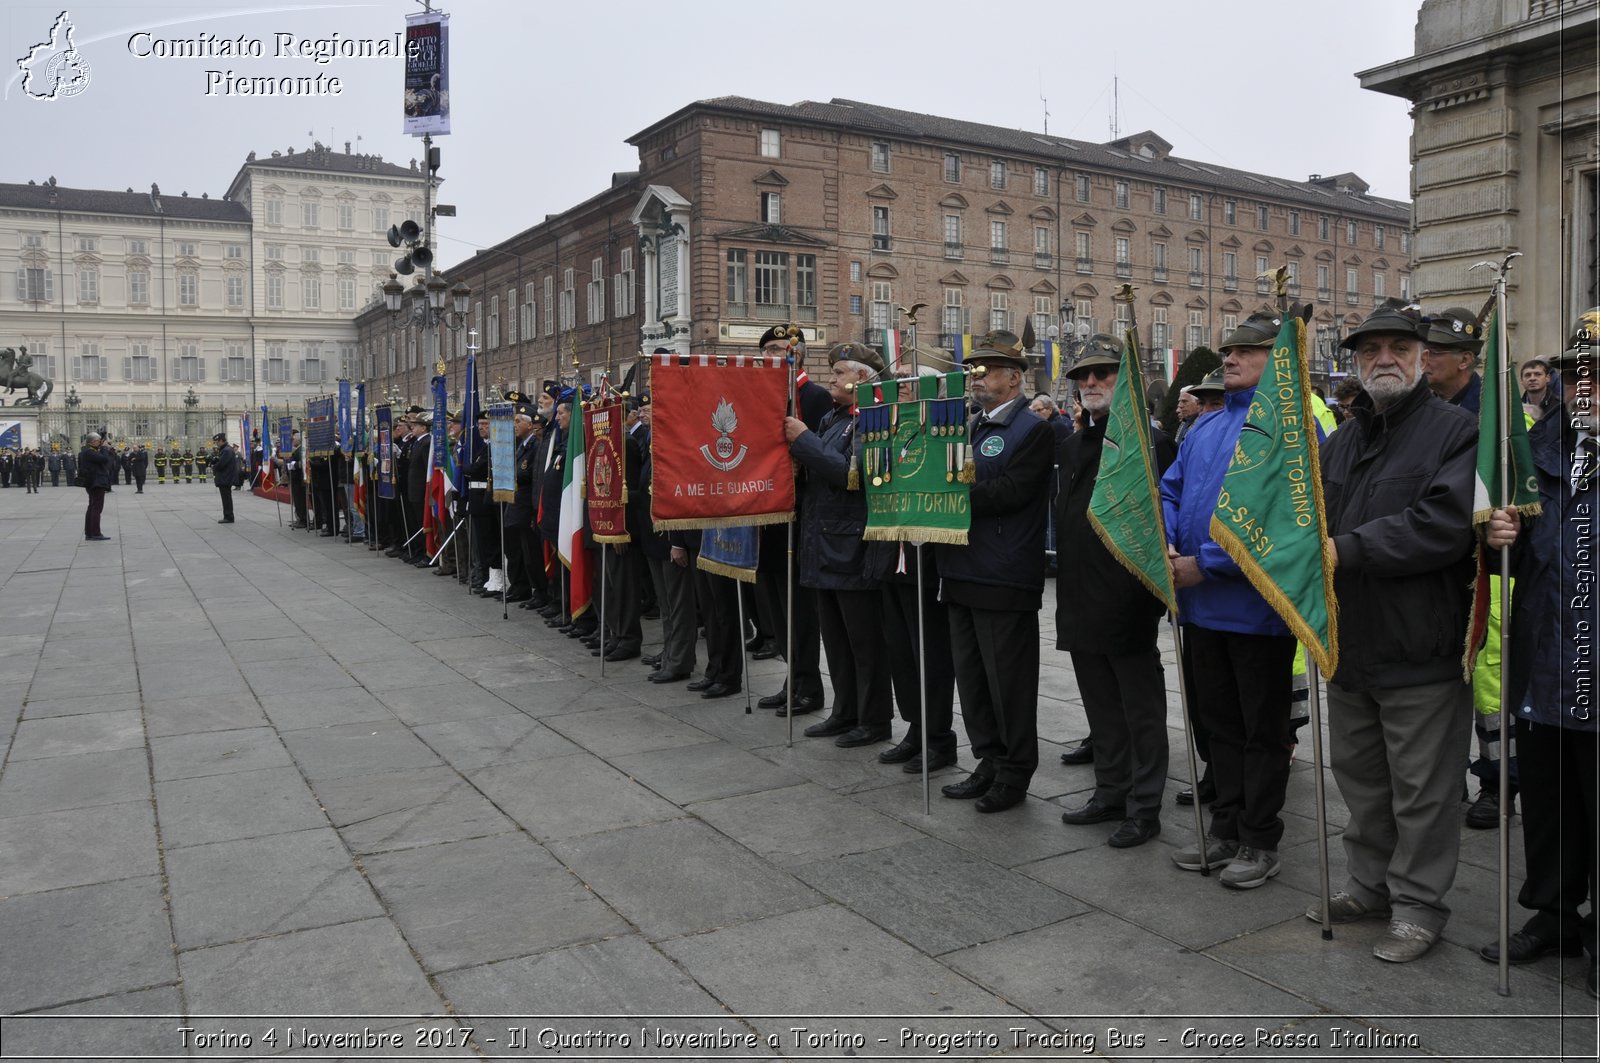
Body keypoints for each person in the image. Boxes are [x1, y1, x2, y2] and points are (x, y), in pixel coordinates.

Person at [1312, 298, 1478, 963]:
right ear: (1354, 360)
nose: (1384, 359)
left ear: (1422, 356)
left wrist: (1344, 549)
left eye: (1398, 349)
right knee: (1361, 781)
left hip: (1420, 645)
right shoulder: (1344, 437)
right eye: (1369, 350)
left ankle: (1417, 906)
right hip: (1349, 644)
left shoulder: (1453, 432)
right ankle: (1368, 885)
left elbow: (1442, 525)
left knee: (1423, 791)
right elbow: (1309, 515)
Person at [1481, 311, 1600, 997]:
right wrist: (1499, 535)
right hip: (1545, 667)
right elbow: (1515, 559)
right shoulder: (1534, 452)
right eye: (1579, 373)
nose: (1587, 387)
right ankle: (1553, 915)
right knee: (1549, 806)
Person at [1160, 309, 1297, 889]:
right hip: (1200, 608)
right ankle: (1226, 827)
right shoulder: (1207, 427)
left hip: (1255, 610)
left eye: (1246, 351)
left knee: (1260, 731)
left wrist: (1206, 565)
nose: (1230, 359)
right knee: (1215, 723)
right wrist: (1165, 543)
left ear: (1277, 361)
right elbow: (1171, 488)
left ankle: (1260, 838)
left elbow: (1285, 521)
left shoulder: (1291, 431)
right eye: (1228, 351)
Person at [1055, 337, 1177, 848]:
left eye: (1103, 374)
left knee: (1140, 710)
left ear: (1125, 380)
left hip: (1126, 596)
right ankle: (1110, 791)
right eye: (1083, 376)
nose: (1090, 384)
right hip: (1078, 594)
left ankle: (1144, 806)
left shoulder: (1152, 444)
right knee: (1101, 706)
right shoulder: (1074, 443)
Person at [936, 329, 1055, 814]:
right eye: (972, 370)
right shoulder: (968, 425)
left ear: (1014, 377)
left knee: (1009, 682)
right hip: (962, 568)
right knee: (973, 678)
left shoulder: (1033, 429)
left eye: (985, 370)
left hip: (1004, 574)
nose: (976, 378)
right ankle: (988, 758)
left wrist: (947, 498)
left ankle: (1015, 770)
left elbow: (1012, 491)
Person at [785, 341, 893, 747]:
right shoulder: (834, 417)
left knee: (864, 643)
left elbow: (855, 474)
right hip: (823, 544)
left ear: (862, 379)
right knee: (835, 640)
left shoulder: (873, 418)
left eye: (839, 373)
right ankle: (843, 711)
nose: (830, 378)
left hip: (852, 548)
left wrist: (803, 442)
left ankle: (874, 719)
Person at [756, 327, 830, 716]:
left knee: (798, 609)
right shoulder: (764, 396)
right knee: (775, 606)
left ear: (797, 354)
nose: (773, 356)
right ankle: (792, 677)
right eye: (767, 350)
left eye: (780, 350)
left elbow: (819, 454)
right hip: (767, 513)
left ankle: (808, 685)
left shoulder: (814, 397)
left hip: (798, 514)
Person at [597, 399, 648, 661]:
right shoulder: (603, 444)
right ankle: (616, 633)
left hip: (623, 528)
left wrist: (620, 527)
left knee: (625, 587)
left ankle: (628, 638)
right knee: (612, 585)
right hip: (607, 525)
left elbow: (626, 490)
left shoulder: (624, 443)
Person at [1419, 305, 1483, 413]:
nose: (1423, 360)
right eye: (1422, 352)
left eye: (1433, 352)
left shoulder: (1489, 412)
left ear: (1464, 360)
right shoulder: (1418, 405)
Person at [79, 433, 114, 541]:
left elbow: (108, 461)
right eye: (98, 441)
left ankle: (89, 532)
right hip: (96, 482)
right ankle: (95, 532)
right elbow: (104, 459)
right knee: (96, 508)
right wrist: (104, 448)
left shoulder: (87, 452)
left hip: (93, 482)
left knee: (92, 506)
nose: (100, 442)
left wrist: (107, 449)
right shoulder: (89, 452)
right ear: (91, 442)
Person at [1518, 356, 1559, 422]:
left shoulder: (1559, 408)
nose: (1532, 378)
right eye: (1528, 375)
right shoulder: (1516, 408)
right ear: (1521, 381)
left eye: (1538, 374)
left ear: (1548, 378)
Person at [210, 433, 238, 523]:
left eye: (217, 442)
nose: (216, 444)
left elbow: (222, 464)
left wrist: (214, 466)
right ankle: (227, 515)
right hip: (225, 477)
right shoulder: (226, 449)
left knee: (226, 498)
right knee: (226, 498)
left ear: (222, 440)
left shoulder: (226, 450)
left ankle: (229, 516)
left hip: (225, 477)